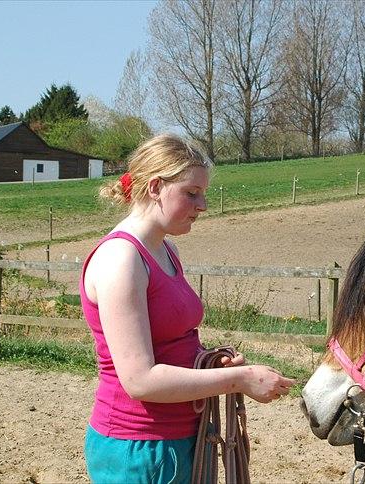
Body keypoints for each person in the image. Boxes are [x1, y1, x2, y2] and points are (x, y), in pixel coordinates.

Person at [80, 134, 295, 483]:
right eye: (191, 193)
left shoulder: (166, 252)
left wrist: (211, 362)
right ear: (154, 187)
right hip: (140, 447)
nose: (203, 205)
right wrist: (237, 379)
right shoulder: (121, 260)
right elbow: (140, 380)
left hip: (182, 437)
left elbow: (171, 343)